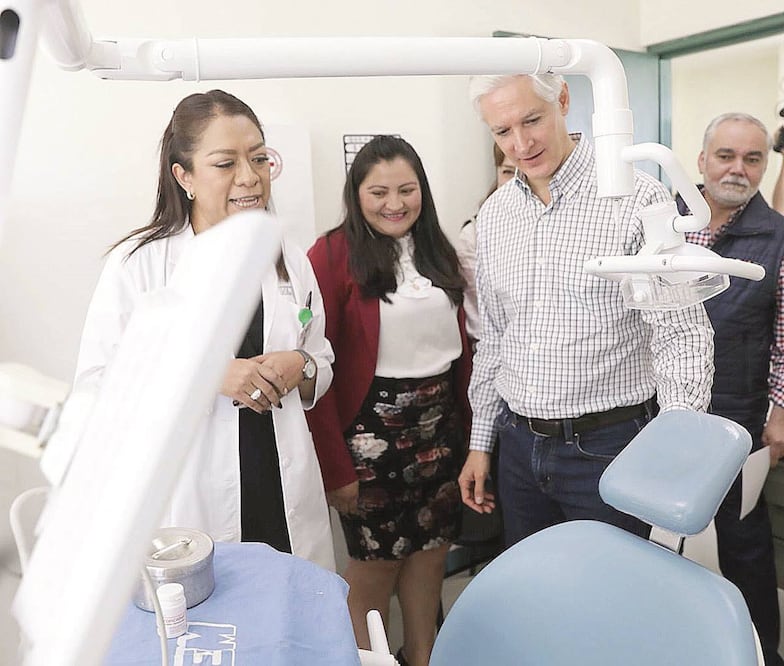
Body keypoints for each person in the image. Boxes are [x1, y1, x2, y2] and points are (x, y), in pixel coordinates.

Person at [72, 89, 336, 570]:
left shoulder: (290, 261)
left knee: (287, 618)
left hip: (282, 485)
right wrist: (208, 373)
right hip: (189, 499)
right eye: (225, 163)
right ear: (184, 176)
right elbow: (96, 387)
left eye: (258, 158)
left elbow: (321, 358)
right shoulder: (140, 267)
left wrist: (301, 365)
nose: (250, 177)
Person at [458, 74, 714, 548]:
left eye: (531, 120)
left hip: (608, 445)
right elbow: (494, 337)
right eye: (501, 132)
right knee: (537, 596)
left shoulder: (638, 197)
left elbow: (681, 334)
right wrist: (480, 442)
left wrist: (675, 445)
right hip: (518, 445)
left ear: (563, 99)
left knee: (613, 601)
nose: (521, 143)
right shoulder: (495, 216)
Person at [306, 135, 472, 666]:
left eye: (407, 189)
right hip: (370, 441)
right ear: (356, 195)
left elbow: (463, 352)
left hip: (442, 430)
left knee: (429, 557)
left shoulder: (439, 249)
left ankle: (422, 657)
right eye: (378, 192)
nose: (394, 203)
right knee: (373, 570)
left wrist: (473, 443)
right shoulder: (330, 255)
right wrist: (336, 470)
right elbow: (316, 373)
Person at [677, 112, 784, 666]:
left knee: (742, 540)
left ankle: (761, 648)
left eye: (753, 158)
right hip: (658, 408)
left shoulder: (777, 237)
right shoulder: (662, 221)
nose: (738, 169)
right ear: (701, 160)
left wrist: (782, 409)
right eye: (726, 156)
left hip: (737, 409)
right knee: (658, 532)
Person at [455, 143, 517, 341]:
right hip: (495, 348)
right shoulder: (474, 234)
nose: (516, 181)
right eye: (508, 171)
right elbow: (479, 314)